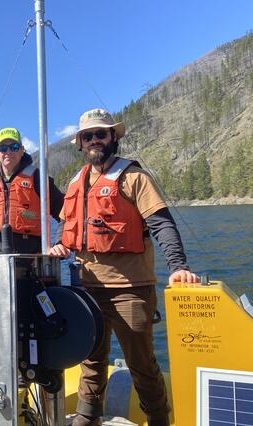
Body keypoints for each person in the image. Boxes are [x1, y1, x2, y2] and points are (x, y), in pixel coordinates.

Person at [50, 109, 199, 426]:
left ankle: (158, 418)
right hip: (86, 290)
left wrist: (178, 265)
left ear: (113, 137)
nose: (94, 141)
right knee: (91, 360)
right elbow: (67, 229)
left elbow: (162, 225)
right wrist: (60, 244)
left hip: (130, 290)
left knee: (141, 363)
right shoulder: (76, 183)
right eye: (88, 136)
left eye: (101, 134)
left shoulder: (134, 177)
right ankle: (88, 417)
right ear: (80, 144)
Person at [0, 126, 64, 384]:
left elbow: (65, 212)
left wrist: (58, 243)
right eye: (3, 148)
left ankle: (23, 387)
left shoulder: (38, 178)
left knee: (25, 328)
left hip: (26, 271)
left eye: (14, 147)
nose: (8, 152)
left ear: (22, 150)